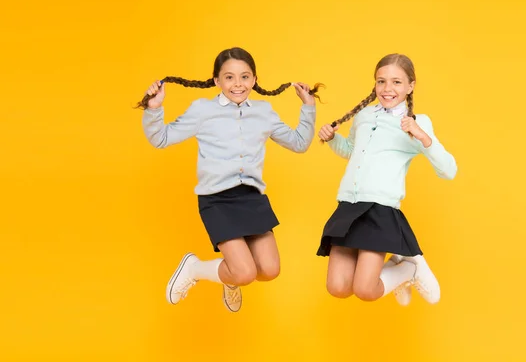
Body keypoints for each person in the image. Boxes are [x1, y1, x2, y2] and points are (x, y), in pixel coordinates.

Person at [138, 47, 322, 312]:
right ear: (216, 80)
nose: (238, 84)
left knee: (269, 270)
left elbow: (300, 143)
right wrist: (154, 109)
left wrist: (308, 107)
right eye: (229, 77)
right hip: (217, 199)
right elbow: (161, 139)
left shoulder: (264, 112)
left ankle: (228, 276)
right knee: (244, 273)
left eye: (245, 77)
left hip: (251, 198)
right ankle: (195, 268)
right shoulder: (202, 110)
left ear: (255, 80)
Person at [317, 53, 456, 305]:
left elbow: (448, 170)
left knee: (365, 290)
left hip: (378, 210)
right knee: (337, 287)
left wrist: (424, 138)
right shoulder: (364, 116)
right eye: (381, 81)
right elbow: (350, 150)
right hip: (348, 206)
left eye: (396, 82)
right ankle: (401, 266)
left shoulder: (417, 122)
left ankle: (408, 269)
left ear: (410, 86)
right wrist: (331, 139)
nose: (387, 89)